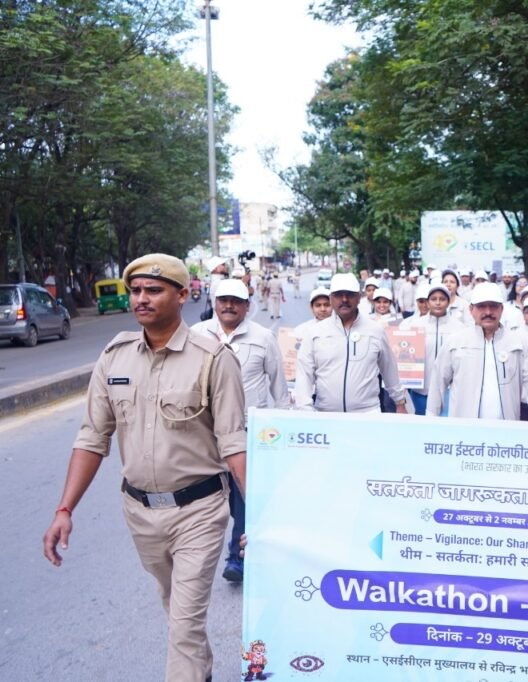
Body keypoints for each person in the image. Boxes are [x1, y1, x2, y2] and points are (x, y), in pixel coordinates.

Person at [43, 254, 247, 682]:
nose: (141, 299)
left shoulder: (214, 358)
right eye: (135, 290)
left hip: (200, 510)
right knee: (177, 610)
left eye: (153, 290)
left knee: (184, 622)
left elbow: (234, 443)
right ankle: (200, 672)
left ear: (183, 294)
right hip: (140, 513)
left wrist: (261, 516)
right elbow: (92, 437)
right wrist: (64, 509)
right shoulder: (115, 357)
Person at [191, 277, 287, 583]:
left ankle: (238, 556)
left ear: (247, 305)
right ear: (215, 304)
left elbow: (278, 385)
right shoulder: (196, 335)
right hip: (205, 429)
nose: (229, 306)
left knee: (246, 493)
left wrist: (283, 426)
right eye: (224, 301)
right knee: (220, 495)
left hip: (248, 429)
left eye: (236, 301)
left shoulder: (263, 337)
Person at [427, 283, 528, 421]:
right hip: (464, 429)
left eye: (493, 306)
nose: (488, 312)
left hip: (507, 427)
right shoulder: (455, 342)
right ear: (471, 309)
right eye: (481, 306)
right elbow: (438, 382)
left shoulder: (518, 343)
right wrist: (431, 418)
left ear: (501, 309)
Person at [294, 273, 408, 413]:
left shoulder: (375, 331)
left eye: (350, 294)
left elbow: (389, 369)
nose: (344, 299)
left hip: (368, 414)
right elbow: (304, 375)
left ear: (359, 297)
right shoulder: (315, 333)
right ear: (331, 298)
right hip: (325, 415)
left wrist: (400, 401)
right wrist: (304, 410)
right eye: (338, 295)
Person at [407, 282, 465, 415]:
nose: (438, 303)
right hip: (421, 390)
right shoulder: (415, 326)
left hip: (449, 391)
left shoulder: (459, 328)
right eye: (433, 299)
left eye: (442, 299)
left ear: (448, 302)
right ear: (428, 302)